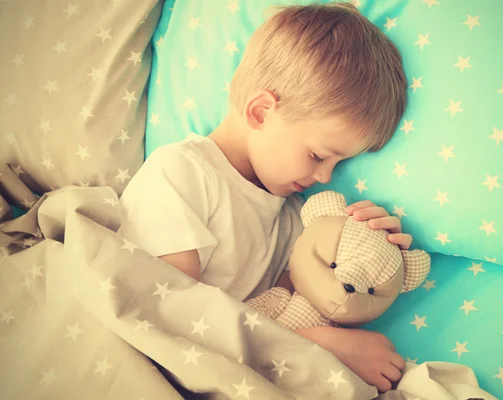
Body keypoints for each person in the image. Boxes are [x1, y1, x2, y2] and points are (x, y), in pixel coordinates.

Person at [118, 2, 411, 393]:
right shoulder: (181, 174)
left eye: (338, 165)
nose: (324, 177)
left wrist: (370, 253)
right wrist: (322, 348)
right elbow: (172, 321)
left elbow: (305, 310)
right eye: (318, 156)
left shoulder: (292, 217)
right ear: (261, 112)